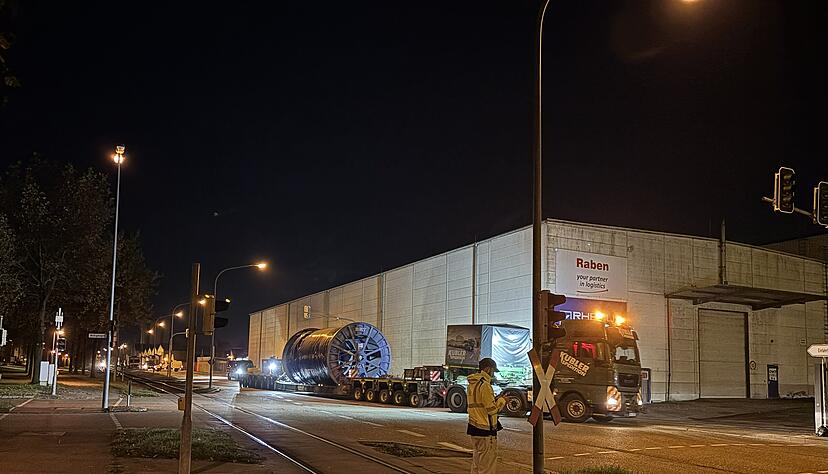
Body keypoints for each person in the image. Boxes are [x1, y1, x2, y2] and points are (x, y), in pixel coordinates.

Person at [466, 357, 506, 474]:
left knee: (477, 462)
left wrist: (495, 399)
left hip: (474, 427)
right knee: (487, 466)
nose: (493, 374)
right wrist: (502, 401)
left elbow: (479, 404)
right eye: (493, 371)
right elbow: (492, 410)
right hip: (485, 429)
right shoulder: (485, 385)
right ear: (488, 369)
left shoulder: (472, 384)